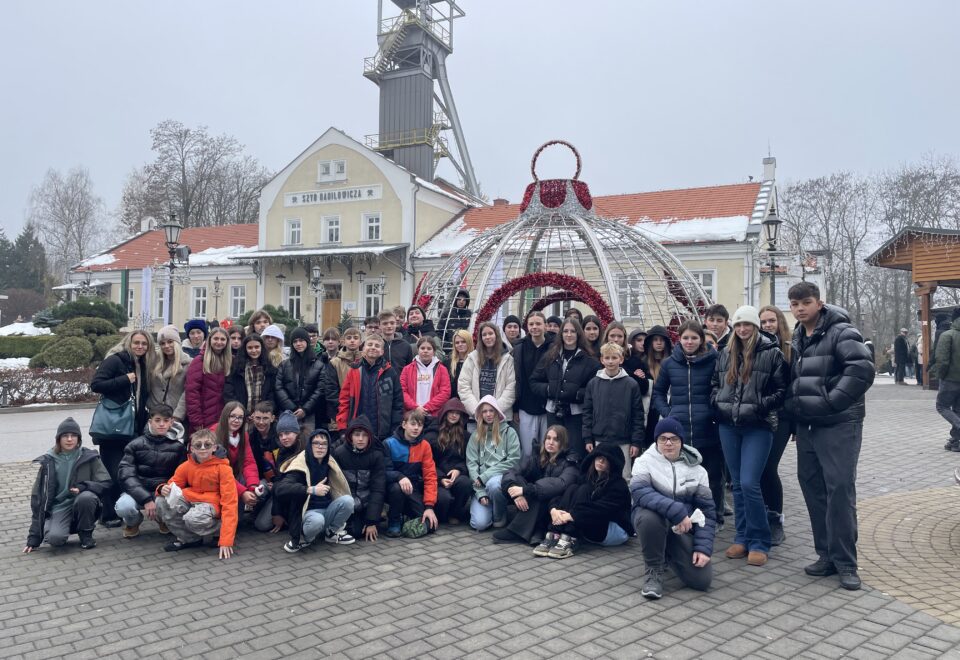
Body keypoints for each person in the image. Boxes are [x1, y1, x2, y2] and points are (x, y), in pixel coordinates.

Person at [784, 282, 874, 590]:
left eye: (805, 302)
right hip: (807, 427)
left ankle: (846, 562)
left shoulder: (841, 331)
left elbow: (861, 370)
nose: (800, 308)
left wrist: (830, 402)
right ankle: (826, 555)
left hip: (838, 424)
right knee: (813, 489)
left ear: (819, 303)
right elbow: (799, 379)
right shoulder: (798, 336)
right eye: (795, 304)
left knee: (839, 491)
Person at [711, 305, 787, 567]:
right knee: (738, 487)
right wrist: (718, 405)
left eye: (748, 325)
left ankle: (760, 540)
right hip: (728, 425)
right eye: (739, 325)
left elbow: (781, 391)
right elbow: (715, 384)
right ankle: (742, 536)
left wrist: (758, 406)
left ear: (755, 327)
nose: (743, 329)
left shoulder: (772, 353)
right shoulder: (725, 353)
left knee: (749, 483)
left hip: (758, 425)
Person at [630, 417, 715, 600]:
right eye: (663, 438)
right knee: (649, 518)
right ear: (656, 441)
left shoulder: (699, 471)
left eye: (674, 438)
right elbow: (640, 492)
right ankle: (654, 570)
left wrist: (703, 548)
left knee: (702, 581)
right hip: (654, 520)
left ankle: (667, 550)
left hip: (681, 529)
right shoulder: (644, 462)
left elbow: (707, 512)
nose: (668, 443)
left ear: (681, 442)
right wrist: (678, 512)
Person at [652, 320, 724, 528]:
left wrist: (714, 412)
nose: (690, 341)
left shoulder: (714, 360)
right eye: (685, 338)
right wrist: (668, 415)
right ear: (679, 339)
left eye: (694, 337)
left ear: (701, 339)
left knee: (712, 477)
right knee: (683, 476)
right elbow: (658, 393)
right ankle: (685, 515)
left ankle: (714, 517)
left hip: (708, 428)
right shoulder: (669, 363)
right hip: (680, 431)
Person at [91, 330, 155, 526]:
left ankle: (121, 510)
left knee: (127, 471)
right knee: (113, 472)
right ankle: (108, 515)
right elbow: (96, 384)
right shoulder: (116, 360)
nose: (140, 347)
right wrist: (124, 380)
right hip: (113, 429)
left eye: (144, 344)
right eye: (136, 342)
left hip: (132, 428)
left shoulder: (142, 364)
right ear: (129, 342)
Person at [24, 418, 111, 553]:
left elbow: (106, 483)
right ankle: (52, 525)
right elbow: (38, 499)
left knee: (86, 498)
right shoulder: (48, 461)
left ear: (79, 438)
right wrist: (34, 538)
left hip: (82, 504)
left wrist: (84, 487)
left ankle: (85, 534)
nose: (69, 439)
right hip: (59, 507)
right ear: (58, 438)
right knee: (55, 539)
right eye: (65, 436)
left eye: (73, 435)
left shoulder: (89, 456)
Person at [533, 444, 631, 559]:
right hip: (590, 522)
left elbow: (602, 510)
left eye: (606, 459)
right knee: (573, 488)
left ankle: (570, 537)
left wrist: (572, 515)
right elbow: (562, 496)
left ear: (613, 463)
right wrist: (554, 510)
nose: (600, 460)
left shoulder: (619, 485)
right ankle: (555, 534)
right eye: (598, 457)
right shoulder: (588, 477)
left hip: (613, 529)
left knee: (583, 490)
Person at [155, 428, 237, 558]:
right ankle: (190, 539)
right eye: (198, 445)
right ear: (192, 448)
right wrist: (162, 488)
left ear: (214, 447)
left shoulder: (224, 469)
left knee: (192, 519)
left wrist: (226, 540)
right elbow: (173, 484)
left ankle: (219, 532)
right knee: (161, 501)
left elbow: (230, 503)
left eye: (207, 445)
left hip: (212, 505)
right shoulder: (187, 465)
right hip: (192, 500)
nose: (203, 448)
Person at [493, 425, 579, 545]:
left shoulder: (570, 462)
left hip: (555, 506)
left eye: (556, 439)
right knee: (517, 479)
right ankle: (535, 531)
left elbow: (561, 484)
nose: (551, 442)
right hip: (533, 499)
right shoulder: (537, 456)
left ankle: (517, 531)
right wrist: (515, 491)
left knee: (539, 494)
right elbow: (512, 471)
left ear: (563, 443)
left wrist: (526, 490)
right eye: (548, 438)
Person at [274, 428, 355, 552]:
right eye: (316, 443)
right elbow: (281, 488)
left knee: (348, 500)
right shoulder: (301, 464)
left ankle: (331, 533)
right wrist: (311, 490)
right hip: (308, 514)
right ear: (309, 445)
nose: (320, 447)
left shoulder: (329, 462)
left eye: (324, 444)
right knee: (317, 520)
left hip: (327, 510)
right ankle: (306, 538)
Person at [530, 318, 601, 458]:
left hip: (576, 414)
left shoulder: (589, 360)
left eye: (573, 331)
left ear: (578, 334)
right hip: (553, 411)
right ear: (561, 334)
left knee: (574, 452)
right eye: (566, 331)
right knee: (554, 451)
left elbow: (594, 388)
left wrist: (577, 395)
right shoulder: (550, 356)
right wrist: (549, 390)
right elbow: (534, 381)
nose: (569, 335)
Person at [115, 404, 187, 538]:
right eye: (157, 420)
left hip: (163, 492)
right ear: (150, 422)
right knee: (123, 506)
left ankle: (163, 520)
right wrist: (146, 499)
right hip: (139, 490)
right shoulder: (135, 444)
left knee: (175, 502)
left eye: (166, 421)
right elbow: (126, 475)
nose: (161, 424)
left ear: (171, 422)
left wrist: (165, 490)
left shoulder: (179, 447)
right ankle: (133, 522)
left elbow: (182, 475)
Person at [758, 305, 794, 545]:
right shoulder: (759, 349)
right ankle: (761, 516)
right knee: (758, 469)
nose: (768, 325)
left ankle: (775, 519)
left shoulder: (791, 350)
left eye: (772, 321)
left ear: (780, 322)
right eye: (764, 322)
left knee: (769, 467)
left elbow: (796, 388)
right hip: (761, 416)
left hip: (783, 417)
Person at [583, 342, 644, 478]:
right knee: (601, 474)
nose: (610, 361)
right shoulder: (593, 384)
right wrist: (588, 438)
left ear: (621, 359)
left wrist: (635, 442)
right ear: (602, 359)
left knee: (624, 476)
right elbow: (587, 412)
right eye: (607, 358)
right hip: (600, 439)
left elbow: (638, 415)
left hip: (624, 440)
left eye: (614, 358)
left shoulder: (631, 384)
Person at [466, 396, 521, 531]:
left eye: (491, 410)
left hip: (498, 480)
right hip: (480, 485)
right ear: (480, 414)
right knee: (479, 524)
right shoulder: (475, 435)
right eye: (484, 411)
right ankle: (487, 508)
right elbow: (471, 464)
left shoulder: (509, 432)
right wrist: (480, 493)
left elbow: (513, 459)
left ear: (497, 412)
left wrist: (485, 476)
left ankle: (499, 514)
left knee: (494, 484)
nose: (488, 414)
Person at [382, 409, 440, 537]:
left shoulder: (425, 445)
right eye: (413, 424)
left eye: (420, 425)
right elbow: (383, 472)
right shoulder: (388, 443)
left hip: (413, 488)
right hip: (392, 487)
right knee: (397, 489)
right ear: (404, 425)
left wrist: (429, 506)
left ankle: (407, 517)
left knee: (429, 524)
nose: (416, 428)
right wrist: (400, 477)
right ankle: (394, 522)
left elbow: (430, 475)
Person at [337, 334, 403, 443]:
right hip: (357, 429)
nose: (373, 347)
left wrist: (395, 429)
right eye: (370, 344)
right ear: (363, 349)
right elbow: (344, 400)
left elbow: (397, 403)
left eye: (377, 346)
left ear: (382, 351)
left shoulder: (390, 372)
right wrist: (342, 426)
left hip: (382, 432)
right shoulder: (354, 370)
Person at [332, 415, 386, 542]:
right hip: (347, 503)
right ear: (350, 436)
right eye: (357, 435)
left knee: (360, 531)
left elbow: (378, 489)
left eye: (365, 435)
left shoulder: (377, 455)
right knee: (354, 532)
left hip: (367, 503)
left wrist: (371, 521)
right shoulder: (339, 453)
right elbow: (335, 486)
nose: (361, 439)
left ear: (370, 437)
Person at [255, 410, 304, 534]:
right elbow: (279, 478)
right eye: (281, 435)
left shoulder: (304, 450)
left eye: (287, 433)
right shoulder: (281, 451)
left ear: (297, 432)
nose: (284, 438)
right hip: (282, 492)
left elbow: (291, 484)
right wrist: (277, 512)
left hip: (299, 495)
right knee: (261, 524)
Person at [425, 399, 473, 524]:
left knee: (465, 483)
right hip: (436, 476)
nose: (454, 415)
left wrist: (459, 470)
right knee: (443, 498)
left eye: (457, 413)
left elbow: (469, 459)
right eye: (451, 412)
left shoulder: (466, 436)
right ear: (445, 413)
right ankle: (441, 516)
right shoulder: (432, 434)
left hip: (456, 475)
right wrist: (440, 478)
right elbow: (427, 462)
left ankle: (455, 513)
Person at [458, 322, 517, 425]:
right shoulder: (472, 358)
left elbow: (511, 388)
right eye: (484, 335)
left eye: (490, 333)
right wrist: (478, 411)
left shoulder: (508, 359)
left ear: (497, 335)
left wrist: (494, 410)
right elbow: (463, 386)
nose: (487, 337)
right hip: (476, 417)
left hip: (500, 416)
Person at [512, 311, 553, 457]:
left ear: (545, 326)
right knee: (528, 450)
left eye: (538, 323)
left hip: (548, 406)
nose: (534, 327)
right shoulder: (520, 348)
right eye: (531, 324)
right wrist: (515, 407)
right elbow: (517, 379)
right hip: (525, 406)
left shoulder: (553, 347)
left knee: (547, 449)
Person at [212, 401, 262, 515]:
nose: (236, 420)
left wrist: (253, 486)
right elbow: (219, 472)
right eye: (232, 416)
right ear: (225, 416)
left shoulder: (243, 435)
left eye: (240, 417)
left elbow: (248, 462)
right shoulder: (213, 434)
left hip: (232, 478)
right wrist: (242, 492)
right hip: (215, 480)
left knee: (237, 521)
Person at [275, 327, 323, 435]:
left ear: (307, 341)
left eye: (301, 340)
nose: (298, 344)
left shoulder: (318, 365)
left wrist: (305, 409)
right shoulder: (284, 364)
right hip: (288, 412)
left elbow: (320, 389)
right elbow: (279, 387)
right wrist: (292, 407)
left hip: (309, 414)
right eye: (295, 341)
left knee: (306, 444)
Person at [185, 327, 232, 433]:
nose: (219, 342)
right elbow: (192, 392)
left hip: (222, 418)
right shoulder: (199, 361)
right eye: (216, 339)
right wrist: (196, 420)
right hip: (203, 418)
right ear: (209, 340)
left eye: (222, 339)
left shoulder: (229, 361)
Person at [148, 325, 192, 424]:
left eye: (170, 341)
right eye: (162, 343)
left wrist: (177, 416)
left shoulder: (188, 363)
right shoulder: (154, 362)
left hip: (175, 417)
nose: (166, 346)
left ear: (177, 342)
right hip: (154, 416)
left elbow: (187, 392)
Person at [224, 334, 277, 414]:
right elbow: (229, 393)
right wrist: (242, 412)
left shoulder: (269, 369)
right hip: (240, 415)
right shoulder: (236, 368)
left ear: (262, 348)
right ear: (245, 349)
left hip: (263, 416)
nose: (254, 350)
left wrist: (263, 411)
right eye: (250, 348)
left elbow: (273, 394)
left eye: (257, 347)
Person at [400, 336, 452, 417]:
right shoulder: (407, 369)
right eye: (422, 348)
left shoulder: (442, 369)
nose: (425, 351)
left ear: (434, 351)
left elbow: (445, 392)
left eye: (429, 348)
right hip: (412, 415)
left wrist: (427, 408)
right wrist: (416, 408)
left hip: (434, 415)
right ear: (418, 350)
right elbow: (402, 391)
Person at [641, 326, 673, 447]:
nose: (659, 343)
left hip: (668, 407)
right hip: (649, 411)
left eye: (662, 340)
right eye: (655, 339)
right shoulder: (643, 362)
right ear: (650, 342)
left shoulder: (672, 361)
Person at [934, 308, 960, 452]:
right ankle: (956, 441)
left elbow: (942, 360)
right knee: (958, 409)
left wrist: (941, 375)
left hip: (950, 378)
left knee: (942, 406)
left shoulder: (947, 335)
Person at [443, 329, 473, 401]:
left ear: (469, 342)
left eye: (463, 342)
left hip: (470, 402)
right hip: (452, 404)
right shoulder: (447, 363)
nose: (460, 344)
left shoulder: (476, 361)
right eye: (457, 342)